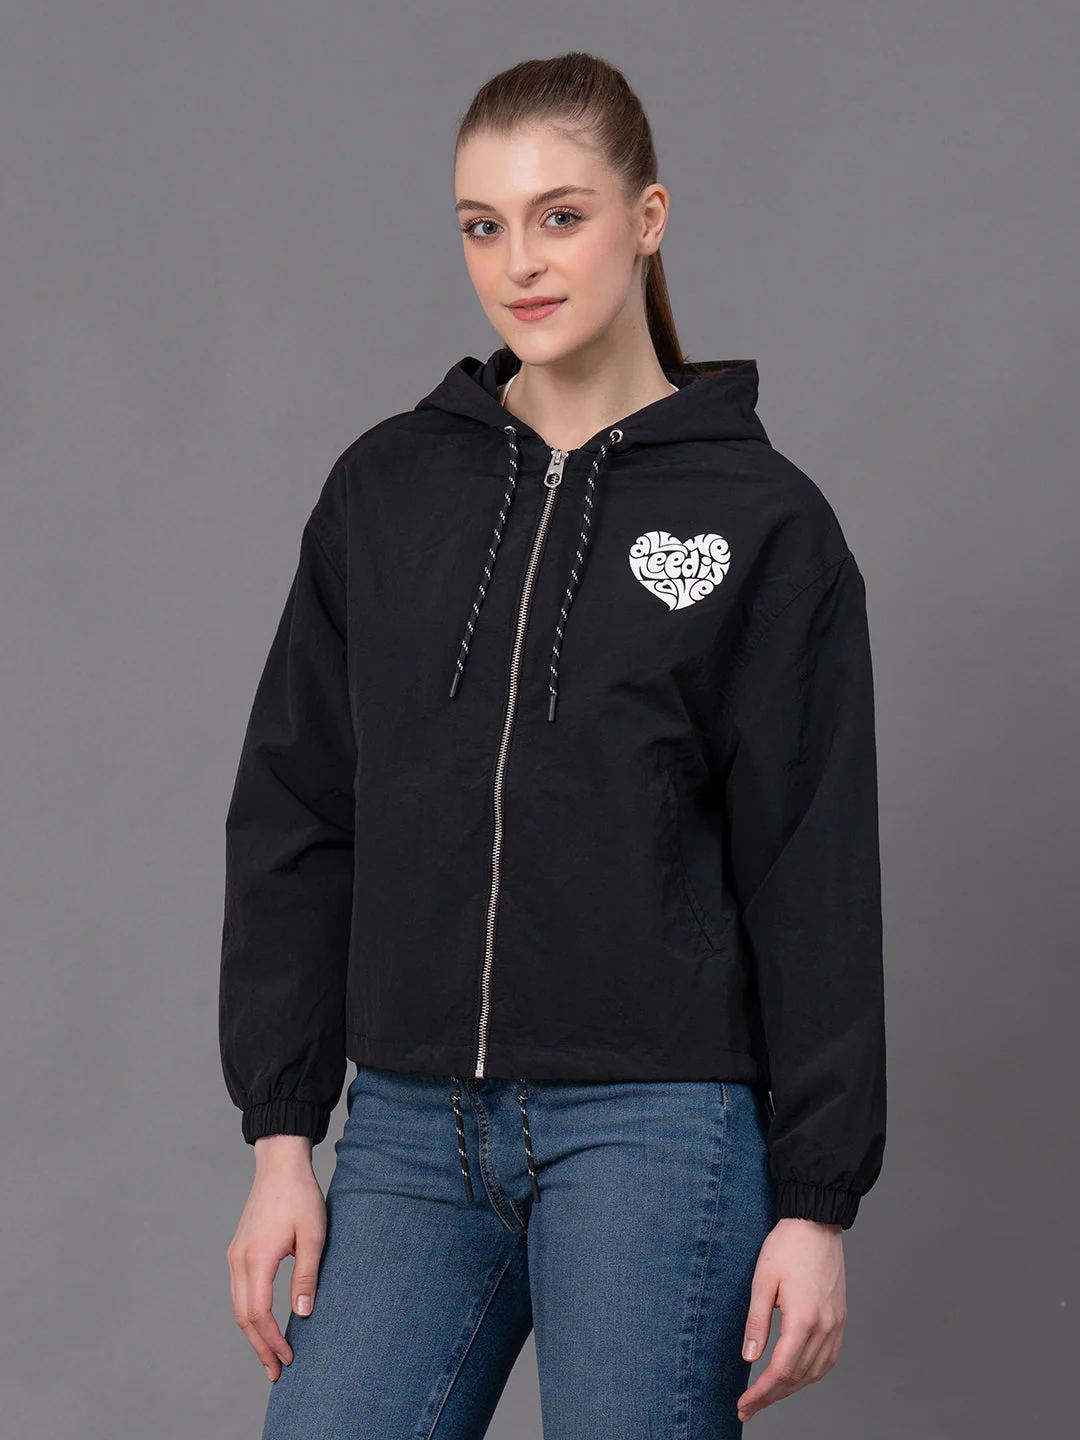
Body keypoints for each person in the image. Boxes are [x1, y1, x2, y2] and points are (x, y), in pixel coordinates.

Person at [219, 50, 886, 1440]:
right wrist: (283, 1139)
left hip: (657, 1127)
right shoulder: (386, 490)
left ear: (647, 217)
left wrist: (817, 1201)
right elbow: (299, 811)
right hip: (410, 1129)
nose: (518, 261)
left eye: (559, 216)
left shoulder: (764, 520)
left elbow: (811, 872)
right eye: (483, 224)